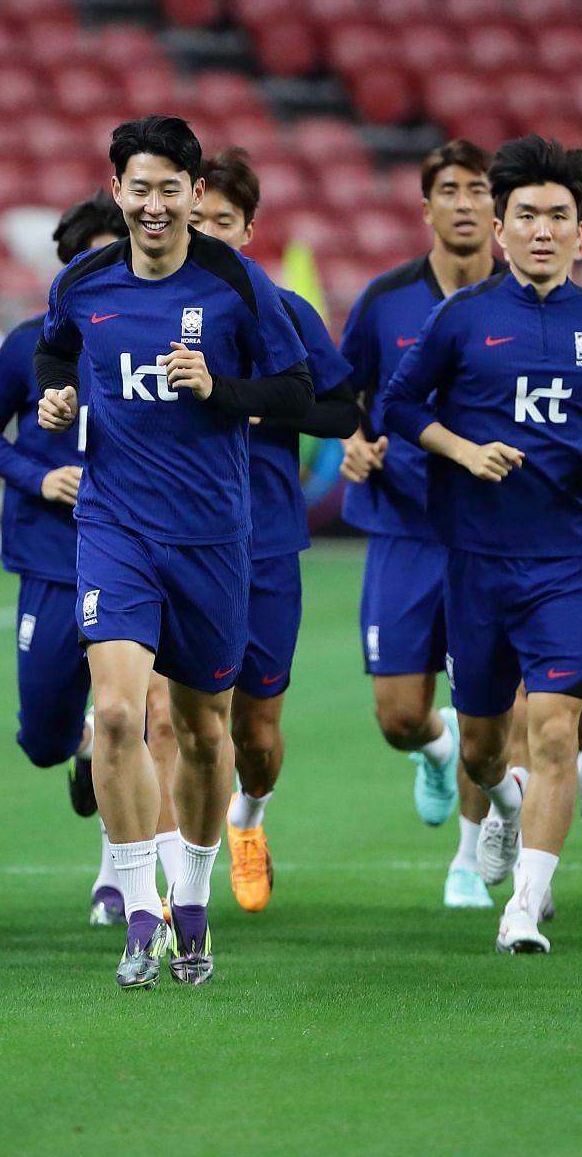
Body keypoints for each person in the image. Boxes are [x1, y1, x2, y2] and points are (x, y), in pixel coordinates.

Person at [34, 115, 309, 988]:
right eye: (137, 187)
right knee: (116, 716)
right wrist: (54, 402)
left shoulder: (236, 283)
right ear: (115, 192)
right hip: (114, 527)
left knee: (200, 728)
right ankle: (140, 907)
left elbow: (299, 389)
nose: (153, 204)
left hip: (213, 536)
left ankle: (192, 900)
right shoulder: (82, 281)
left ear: (196, 193)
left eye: (169, 188)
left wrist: (219, 388)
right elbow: (54, 353)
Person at [380, 135, 582, 951]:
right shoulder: (460, 318)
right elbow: (397, 406)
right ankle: (502, 806)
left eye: (557, 216)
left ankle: (524, 904)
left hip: (574, 556)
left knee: (565, 729)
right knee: (488, 749)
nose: (539, 229)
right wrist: (461, 450)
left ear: (580, 234)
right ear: (500, 229)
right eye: (524, 214)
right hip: (478, 563)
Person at [0, 190, 183, 927]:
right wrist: (39, 476)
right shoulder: (28, 344)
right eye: (91, 258)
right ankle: (72, 751)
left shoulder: (156, 338)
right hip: (50, 556)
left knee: (131, 715)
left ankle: (120, 881)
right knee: (43, 737)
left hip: (137, 551)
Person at [190, 147, 362, 914]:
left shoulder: (284, 311)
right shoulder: (151, 307)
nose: (206, 233)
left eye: (222, 221)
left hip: (264, 541)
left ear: (249, 229)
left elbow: (340, 410)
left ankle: (249, 816)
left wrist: (252, 403)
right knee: (180, 722)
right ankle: (170, 883)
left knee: (256, 736)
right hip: (177, 541)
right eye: (196, 220)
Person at [337, 139, 506, 909]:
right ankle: (430, 752)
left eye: (478, 189)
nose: (466, 202)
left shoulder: (526, 299)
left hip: (496, 535)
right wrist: (352, 442)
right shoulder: (385, 300)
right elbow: (347, 395)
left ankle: (471, 858)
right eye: (451, 189)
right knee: (400, 715)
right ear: (426, 205)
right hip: (405, 525)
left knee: (485, 707)